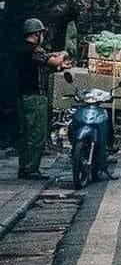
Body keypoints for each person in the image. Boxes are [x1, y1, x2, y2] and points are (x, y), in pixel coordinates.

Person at [16, 18, 69, 180]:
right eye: (41, 34)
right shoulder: (34, 50)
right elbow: (54, 61)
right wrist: (64, 54)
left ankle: (24, 167)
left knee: (25, 134)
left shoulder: (21, 49)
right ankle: (32, 169)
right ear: (36, 34)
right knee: (37, 134)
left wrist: (54, 59)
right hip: (35, 97)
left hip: (22, 96)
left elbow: (46, 59)